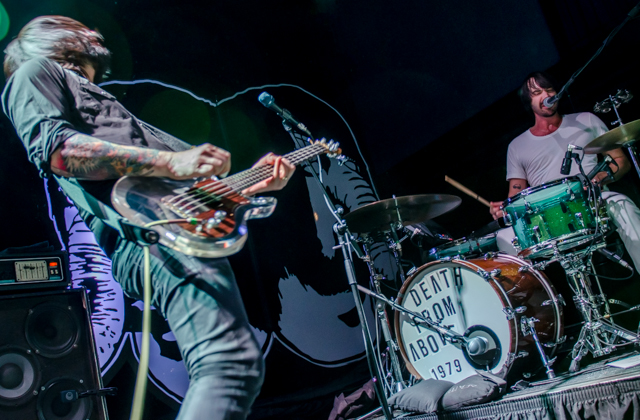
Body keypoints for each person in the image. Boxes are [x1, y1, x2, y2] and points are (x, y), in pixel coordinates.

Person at [2, 16, 295, 420]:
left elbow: (190, 195)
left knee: (233, 364)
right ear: (50, 36)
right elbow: (61, 152)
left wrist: (256, 184)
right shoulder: (35, 72)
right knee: (229, 364)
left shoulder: (105, 108)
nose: (93, 33)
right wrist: (174, 162)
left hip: (174, 227)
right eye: (78, 28)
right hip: (149, 232)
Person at [489, 71, 640, 270]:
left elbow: (620, 161)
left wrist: (601, 177)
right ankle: (536, 290)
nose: (546, 95)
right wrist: (504, 209)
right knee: (504, 237)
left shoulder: (586, 120)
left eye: (549, 89)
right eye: (537, 93)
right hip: (547, 217)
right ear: (529, 103)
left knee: (623, 205)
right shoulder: (517, 146)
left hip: (594, 202)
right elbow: (516, 194)